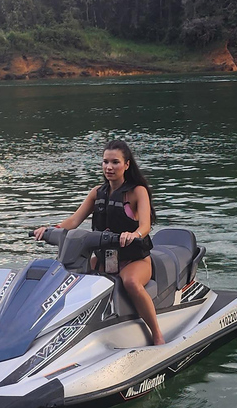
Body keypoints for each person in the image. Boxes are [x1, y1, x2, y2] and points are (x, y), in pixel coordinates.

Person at [33, 140, 165, 345]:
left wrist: (134, 234)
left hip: (134, 260)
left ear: (126, 165)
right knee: (71, 278)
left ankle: (157, 334)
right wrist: (51, 230)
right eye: (105, 162)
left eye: (115, 162)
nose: (109, 167)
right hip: (105, 258)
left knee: (130, 282)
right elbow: (74, 221)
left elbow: (146, 226)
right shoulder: (97, 193)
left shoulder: (137, 191)